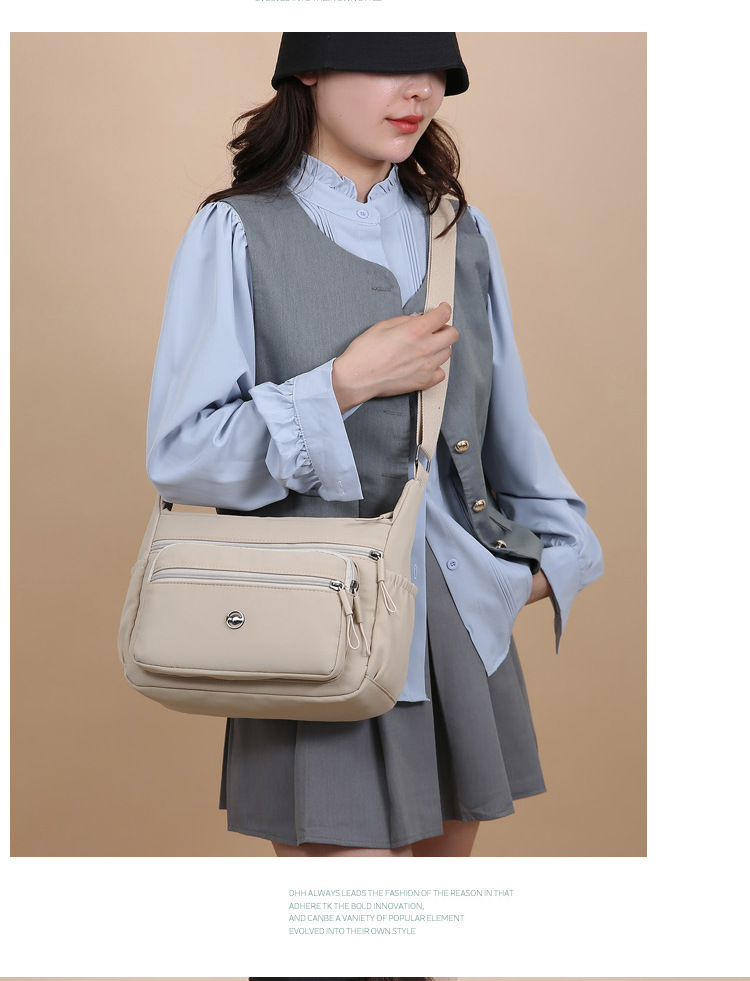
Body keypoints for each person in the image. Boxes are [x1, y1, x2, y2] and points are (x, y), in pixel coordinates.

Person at [146, 33, 603, 858]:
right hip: (311, 628)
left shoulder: (459, 231)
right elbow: (183, 453)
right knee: (349, 925)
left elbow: (507, 432)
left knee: (433, 923)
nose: (419, 90)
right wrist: (342, 383)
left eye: (436, 72)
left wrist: (543, 566)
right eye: (390, 63)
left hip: (461, 629)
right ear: (309, 67)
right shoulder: (234, 230)